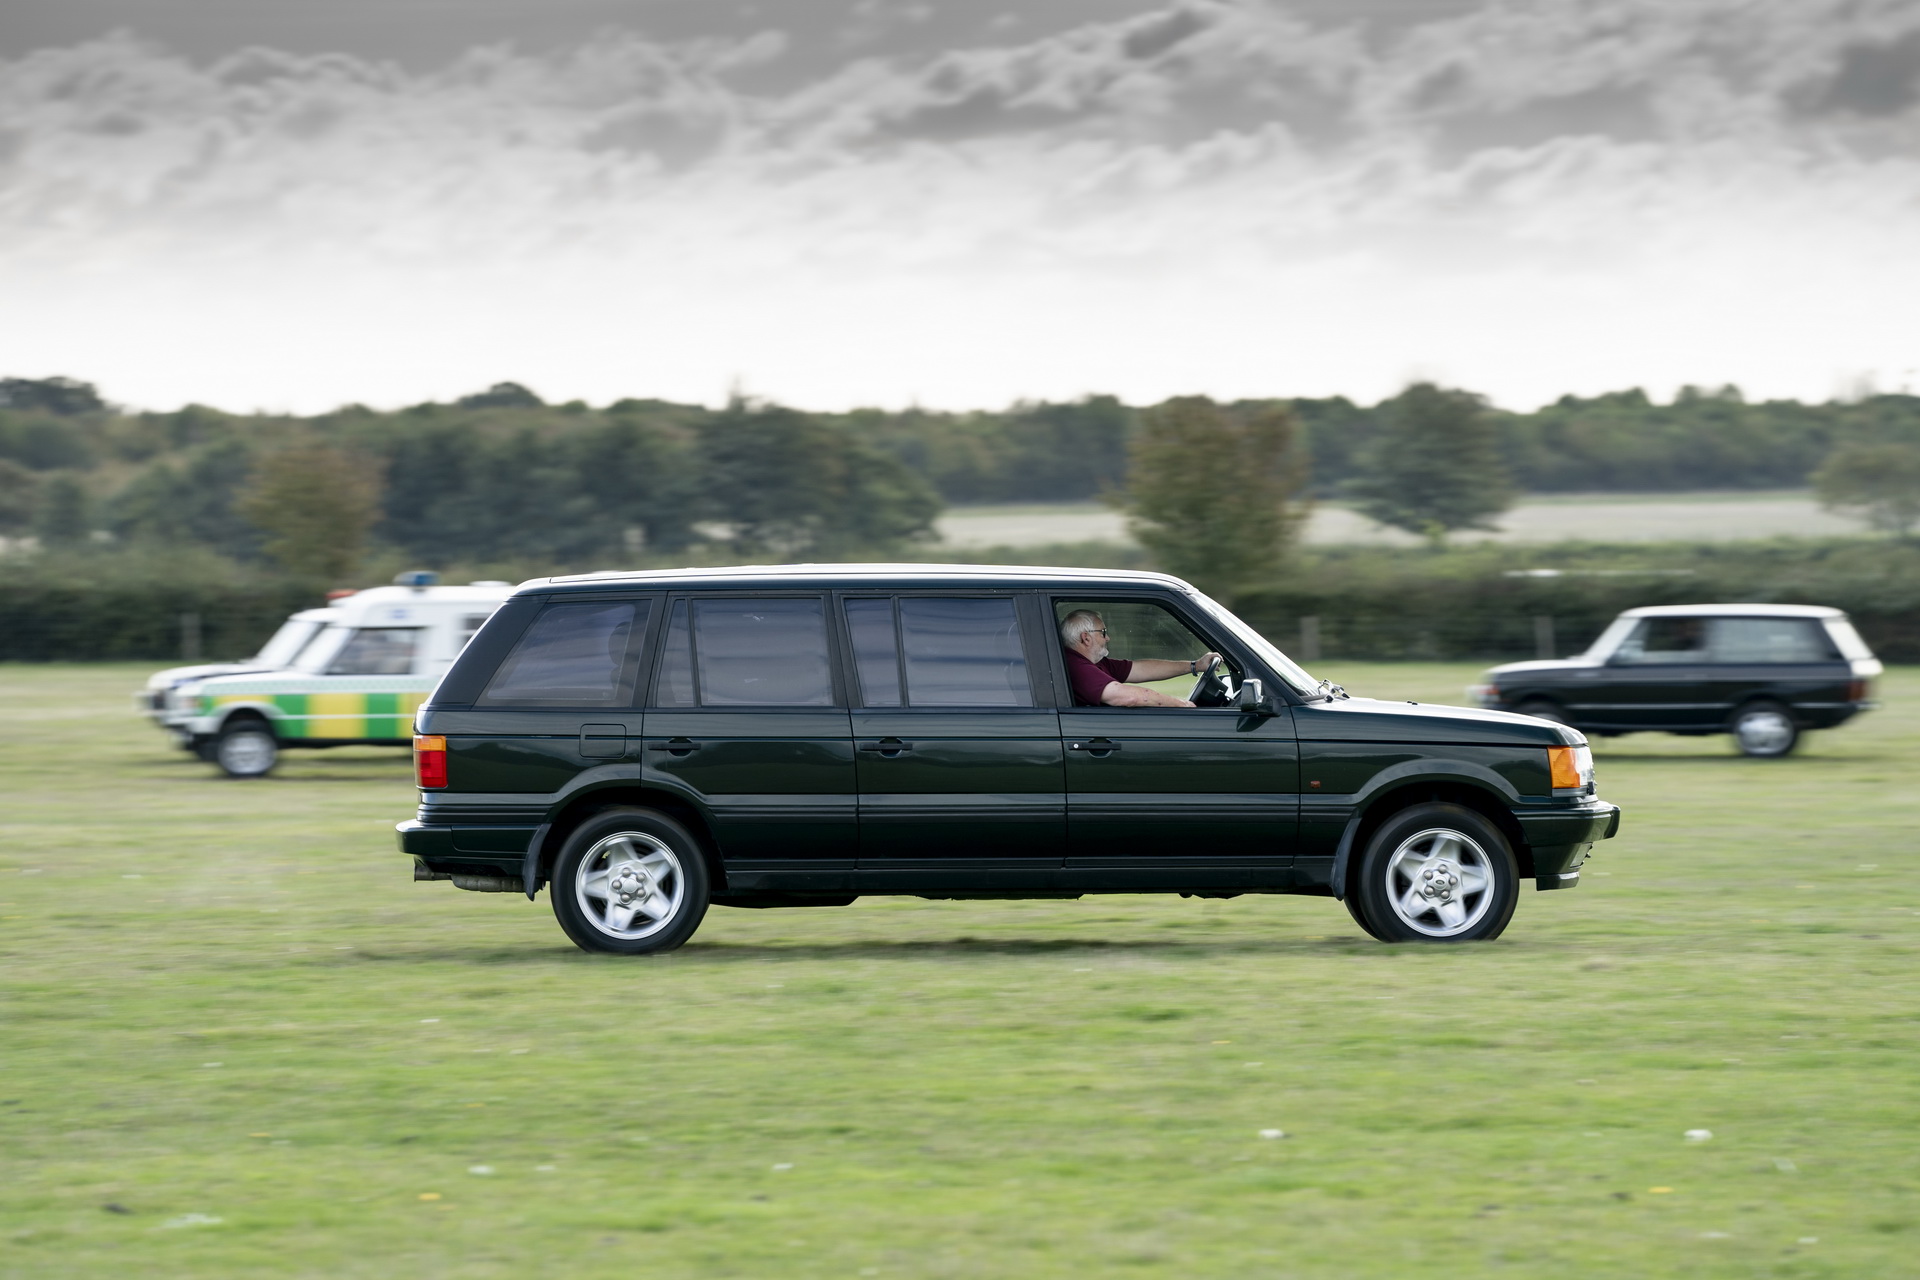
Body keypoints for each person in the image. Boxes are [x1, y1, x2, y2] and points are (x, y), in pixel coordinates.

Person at [1060, 610, 1221, 708]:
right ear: (1086, 638)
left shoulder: (1096, 663)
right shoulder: (1076, 666)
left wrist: (1195, 665)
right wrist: (1181, 704)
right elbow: (1128, 697)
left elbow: (1140, 669)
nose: (1107, 638)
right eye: (1103, 632)